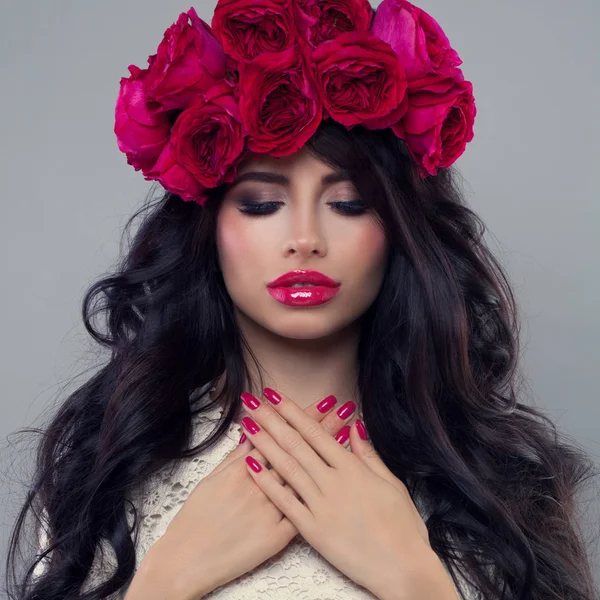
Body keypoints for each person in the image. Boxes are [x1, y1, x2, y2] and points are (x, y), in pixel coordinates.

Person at [5, 1, 599, 599]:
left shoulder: (494, 476)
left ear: (398, 227)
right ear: (208, 227)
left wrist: (413, 579)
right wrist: (170, 578)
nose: (306, 240)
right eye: (262, 204)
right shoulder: (111, 463)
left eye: (349, 204)